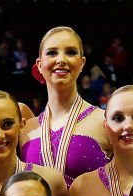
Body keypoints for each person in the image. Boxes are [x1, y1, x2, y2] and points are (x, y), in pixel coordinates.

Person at [20, 26, 110, 186]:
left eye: (71, 52)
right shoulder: (25, 130)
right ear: (39, 64)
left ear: (82, 63)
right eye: (52, 52)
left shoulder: (105, 121)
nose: (61, 59)